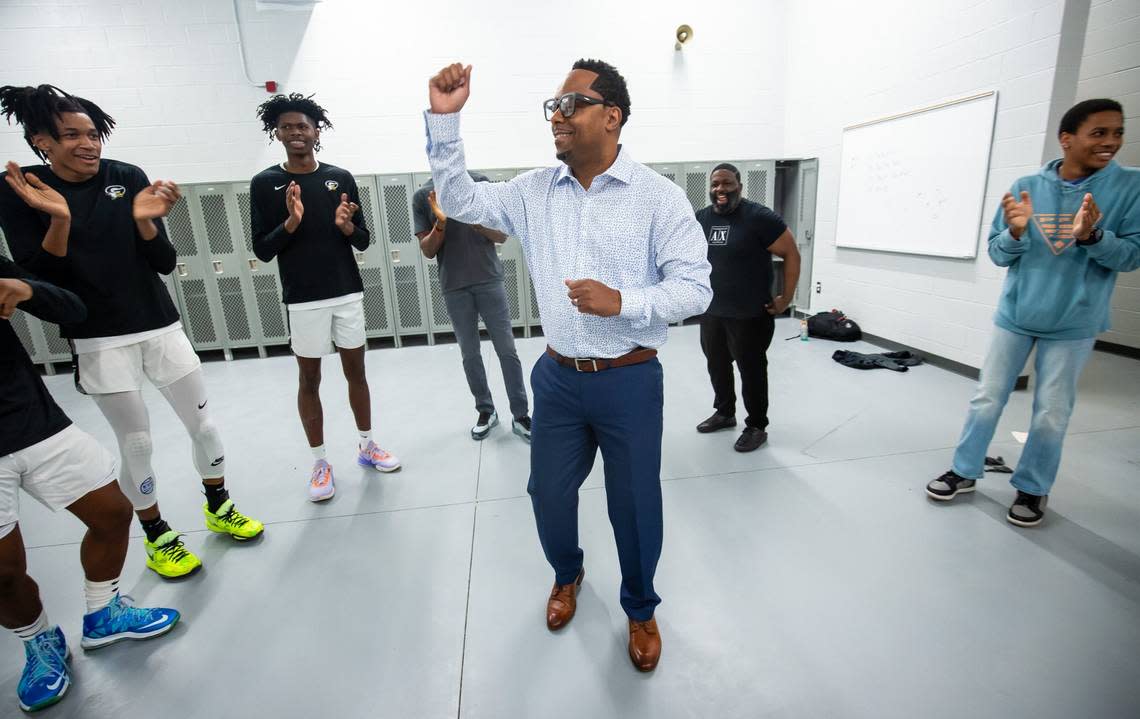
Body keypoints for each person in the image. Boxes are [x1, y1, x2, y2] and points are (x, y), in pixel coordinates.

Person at [425, 59, 711, 671]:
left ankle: (639, 606)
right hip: (557, 379)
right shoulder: (534, 191)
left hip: (629, 378)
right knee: (547, 493)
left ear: (612, 116)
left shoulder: (658, 197)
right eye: (552, 106)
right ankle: (567, 574)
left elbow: (695, 287)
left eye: (571, 104)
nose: (557, 116)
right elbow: (458, 198)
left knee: (633, 504)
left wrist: (624, 302)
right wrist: (446, 126)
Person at [0, 84, 263, 580]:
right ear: (42, 142)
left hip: (159, 323)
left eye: (94, 133)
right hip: (98, 336)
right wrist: (59, 217)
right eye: (72, 135)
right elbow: (41, 279)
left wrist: (146, 224)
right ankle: (158, 534)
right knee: (137, 442)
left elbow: (164, 261)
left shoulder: (126, 177)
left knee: (204, 425)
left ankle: (218, 504)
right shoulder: (22, 189)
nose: (89, 144)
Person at [926, 98, 1139, 527]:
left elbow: (1131, 257)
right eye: (1099, 133)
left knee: (1051, 411)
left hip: (1075, 322)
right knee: (986, 399)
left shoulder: (1130, 187)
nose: (1111, 142)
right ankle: (965, 471)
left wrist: (1094, 236)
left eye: (1117, 133)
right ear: (1067, 139)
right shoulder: (1027, 186)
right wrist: (1016, 232)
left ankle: (1033, 487)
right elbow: (998, 254)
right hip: (1017, 316)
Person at [0, 256, 179, 712]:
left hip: (31, 418)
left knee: (113, 512)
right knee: (2, 571)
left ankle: (103, 612)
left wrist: (27, 291)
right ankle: (38, 641)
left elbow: (73, 309)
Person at [250, 93, 400, 502]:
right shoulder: (265, 183)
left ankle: (367, 446)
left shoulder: (340, 178)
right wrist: (291, 223)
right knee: (309, 379)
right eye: (287, 127)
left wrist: (347, 227)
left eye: (303, 126)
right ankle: (319, 462)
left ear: (317, 132)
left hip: (346, 291)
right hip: (302, 297)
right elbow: (262, 249)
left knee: (357, 372)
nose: (296, 133)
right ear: (277, 133)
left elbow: (365, 240)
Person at [413, 174, 532, 441]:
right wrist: (441, 224)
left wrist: (474, 218)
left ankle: (521, 415)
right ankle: (486, 411)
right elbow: (428, 250)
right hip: (455, 286)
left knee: (507, 350)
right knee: (470, 354)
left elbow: (501, 236)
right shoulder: (423, 196)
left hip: (489, 280)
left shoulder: (480, 185)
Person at [694, 163, 801, 452]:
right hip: (713, 311)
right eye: (716, 184)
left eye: (727, 184)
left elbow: (791, 253)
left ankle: (756, 425)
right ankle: (725, 413)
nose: (720, 189)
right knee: (716, 365)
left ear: (739, 185)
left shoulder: (759, 217)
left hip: (750, 314)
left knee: (751, 370)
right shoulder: (702, 218)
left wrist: (786, 298)